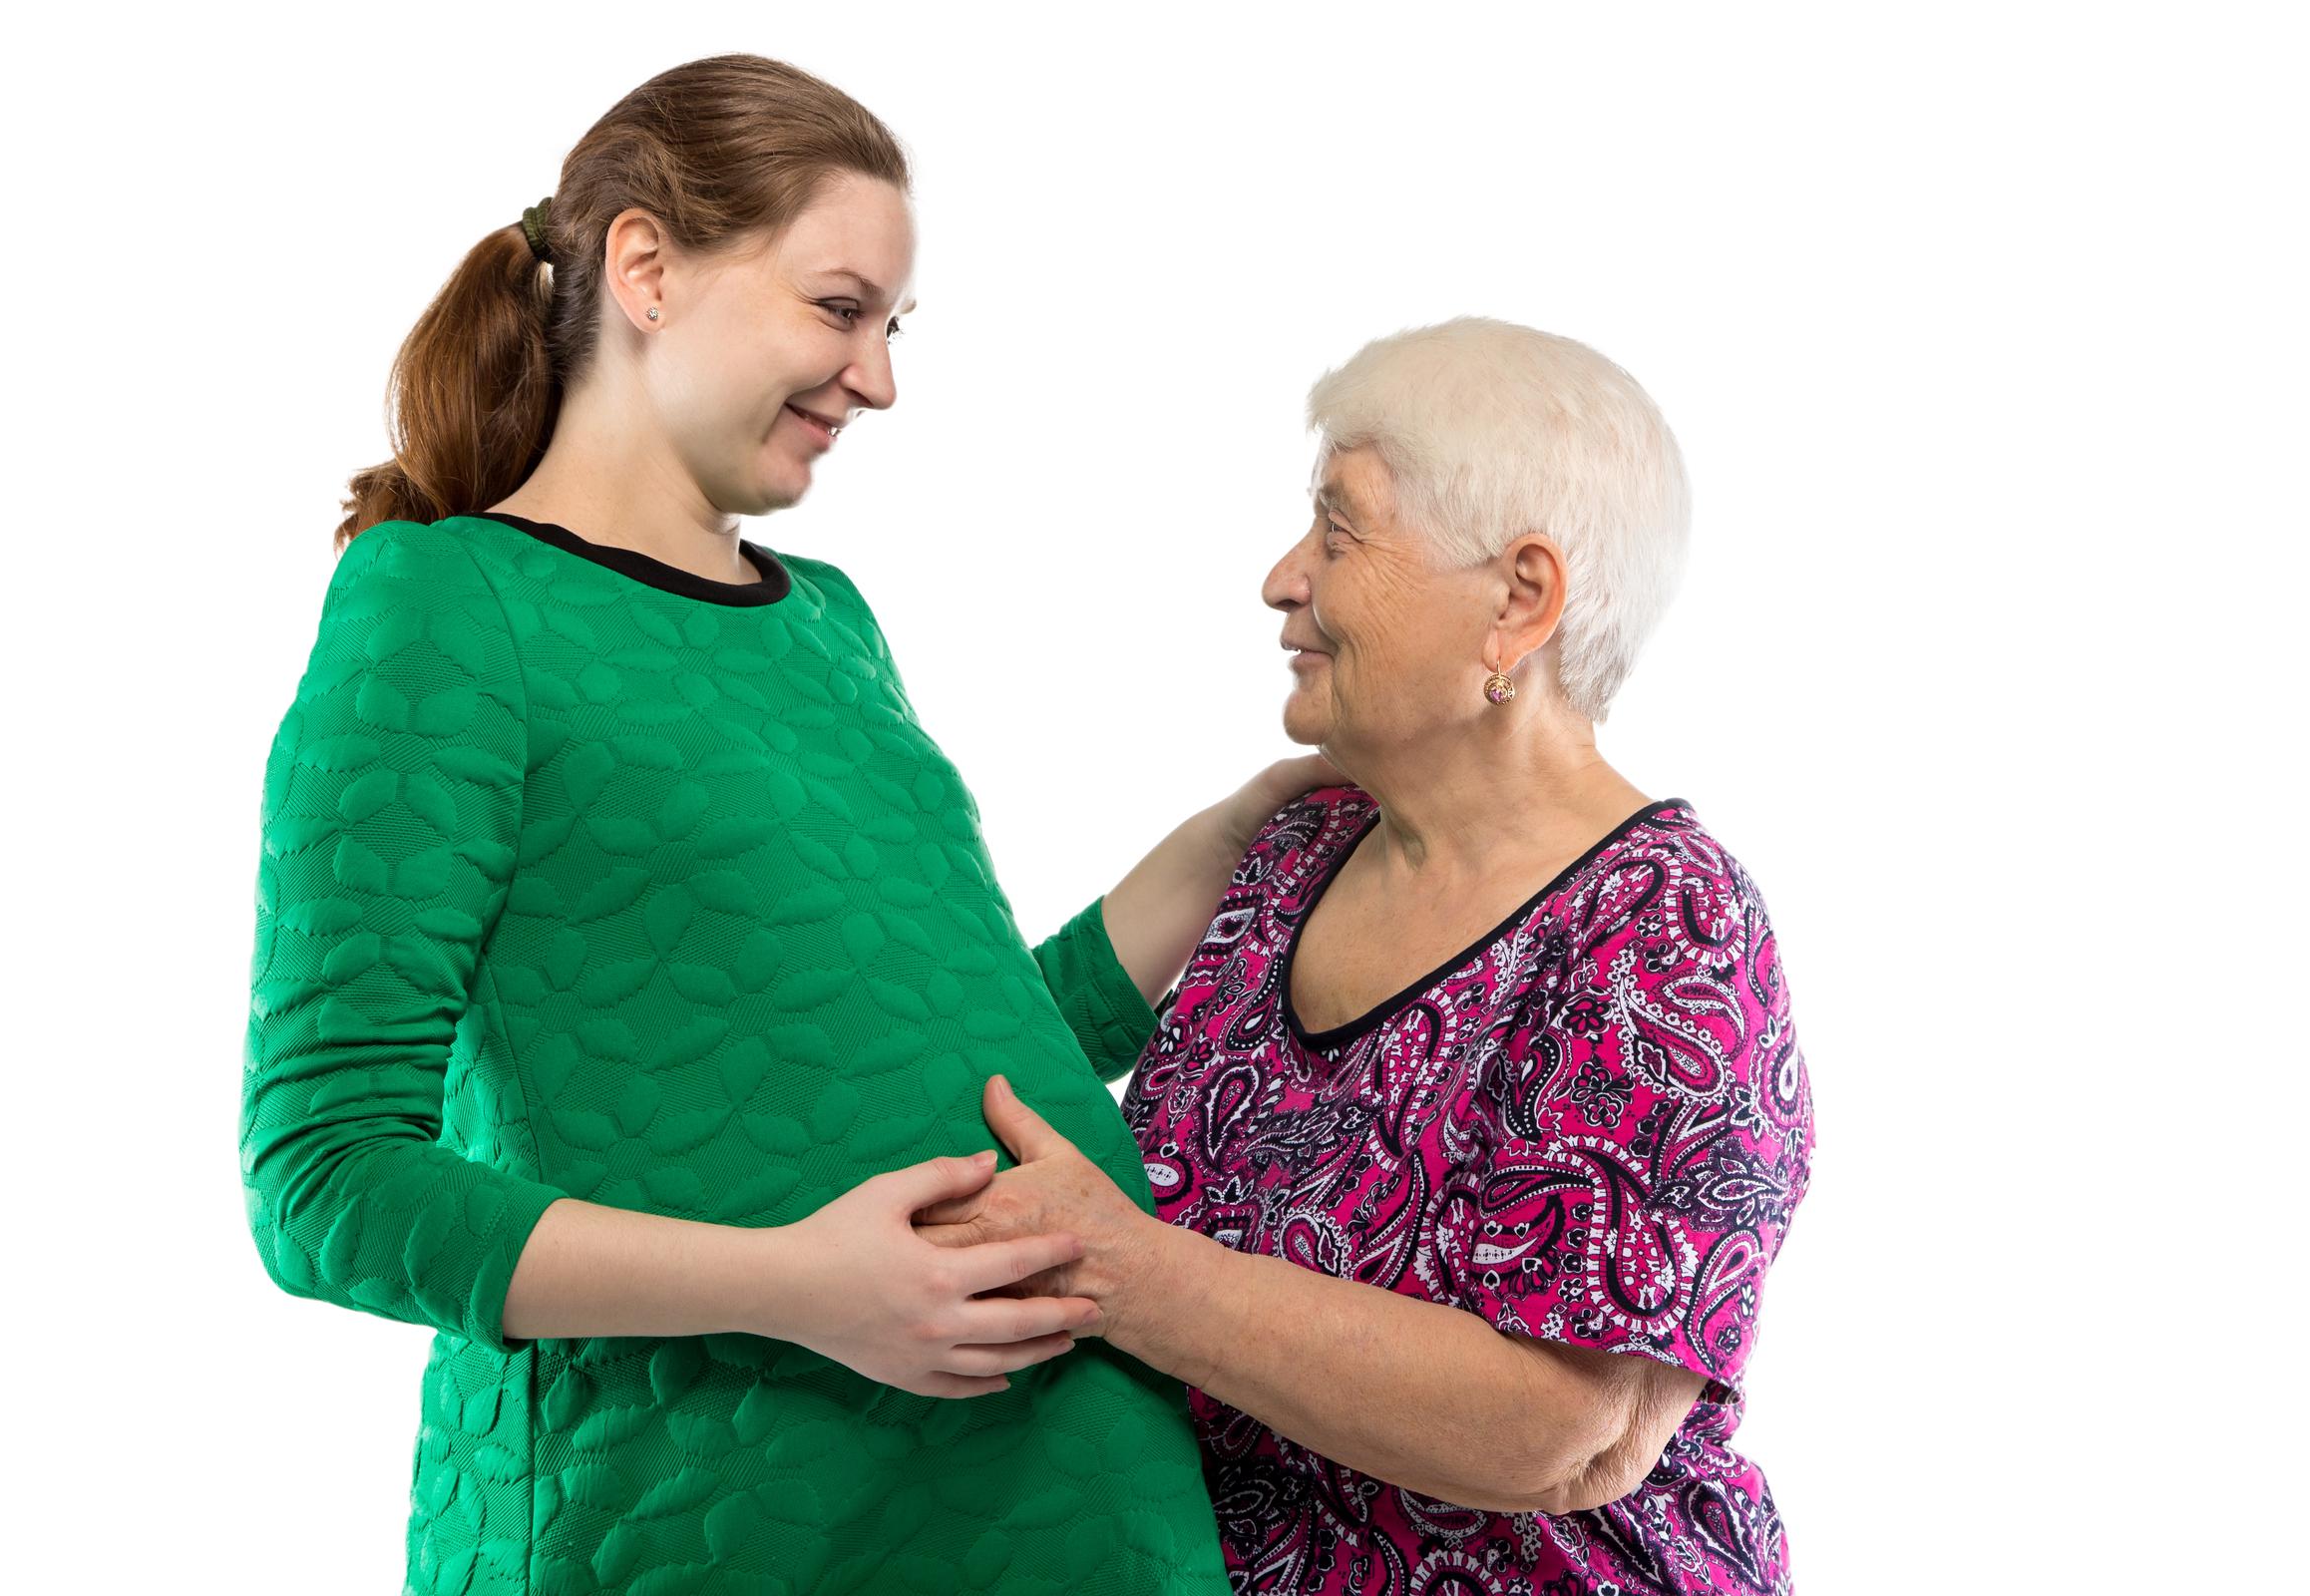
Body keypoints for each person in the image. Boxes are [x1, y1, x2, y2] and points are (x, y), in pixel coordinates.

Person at [239, 53, 1324, 1595]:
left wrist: (1240, 836)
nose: (877, 379)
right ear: (647, 269)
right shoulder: (447, 607)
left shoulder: (828, 621)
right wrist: (797, 1288)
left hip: (1062, 1502)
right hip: (713, 1518)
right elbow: (325, 1182)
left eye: (892, 329)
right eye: (839, 309)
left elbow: (977, 1040)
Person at [913, 317, 1817, 1594]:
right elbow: (1026, 1037)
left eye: (1341, 530)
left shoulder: (1664, 928)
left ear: (1520, 599)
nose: (1285, 577)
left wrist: (1124, 1268)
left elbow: (1570, 1431)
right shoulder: (1295, 851)